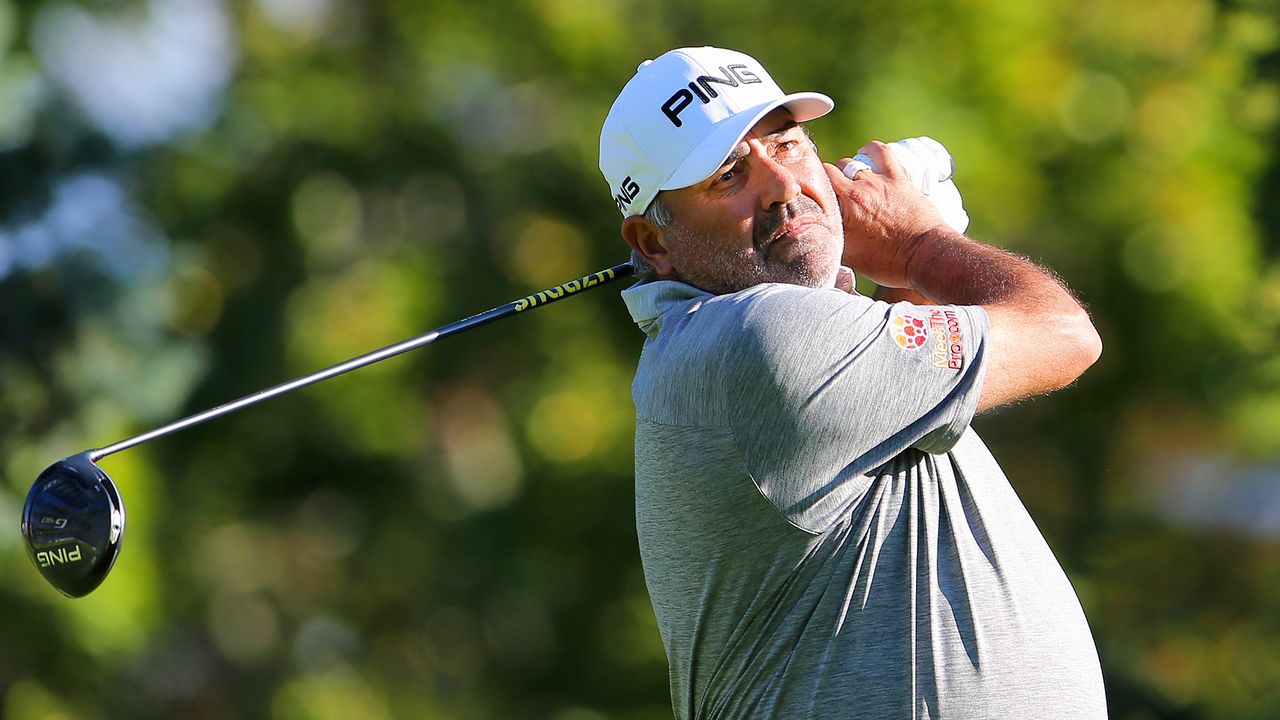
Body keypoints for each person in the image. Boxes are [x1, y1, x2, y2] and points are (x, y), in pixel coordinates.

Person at [598, 46, 1108, 719]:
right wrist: (919, 246)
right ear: (654, 243)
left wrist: (902, 276)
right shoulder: (756, 339)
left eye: (789, 143)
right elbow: (1064, 335)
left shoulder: (728, 346)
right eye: (729, 175)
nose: (784, 185)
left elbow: (900, 416)